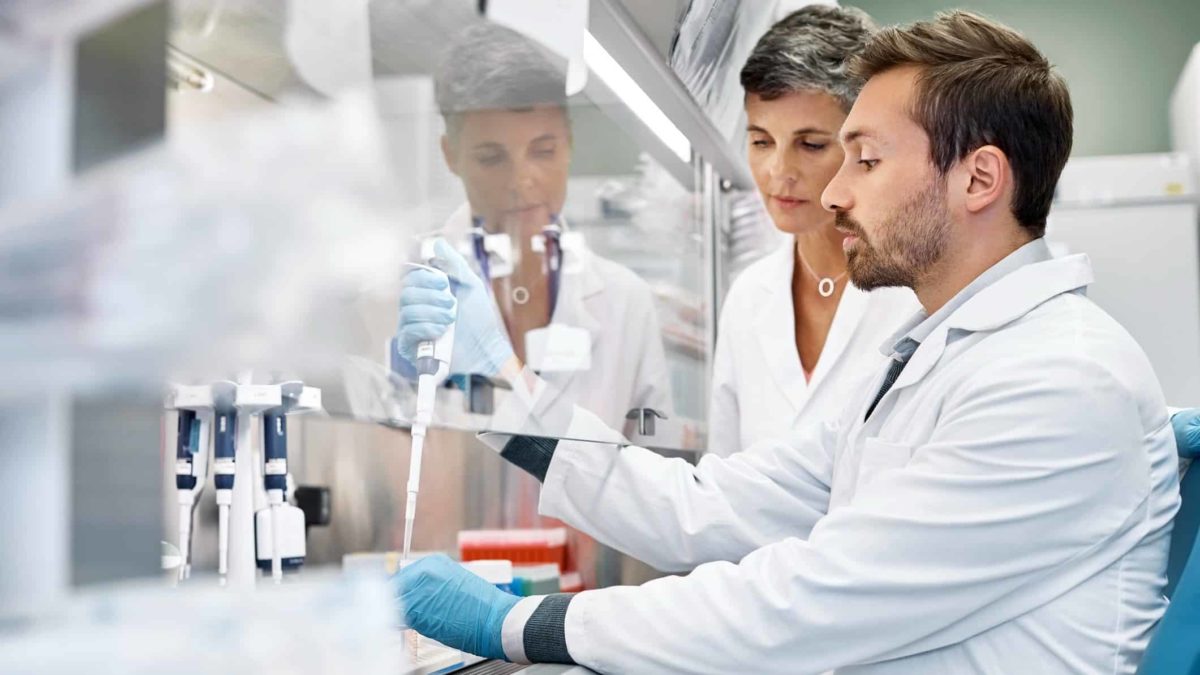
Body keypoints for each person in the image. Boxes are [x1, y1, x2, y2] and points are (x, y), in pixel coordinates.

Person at [392, 12, 1184, 672]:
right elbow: (704, 507)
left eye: (863, 159)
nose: (833, 192)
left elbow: (807, 602)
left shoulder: (1057, 378)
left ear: (978, 180)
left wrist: (516, 626)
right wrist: (493, 385)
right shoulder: (931, 361)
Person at [394, 22, 673, 588]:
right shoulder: (405, 286)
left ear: (569, 142)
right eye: (492, 158)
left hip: (586, 592)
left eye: (542, 151)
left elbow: (655, 471)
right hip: (443, 588)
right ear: (451, 156)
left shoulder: (623, 299)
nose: (523, 181)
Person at [709, 5, 916, 455]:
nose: (778, 171)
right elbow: (722, 480)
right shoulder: (748, 297)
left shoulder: (918, 293)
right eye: (761, 140)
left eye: (810, 144)